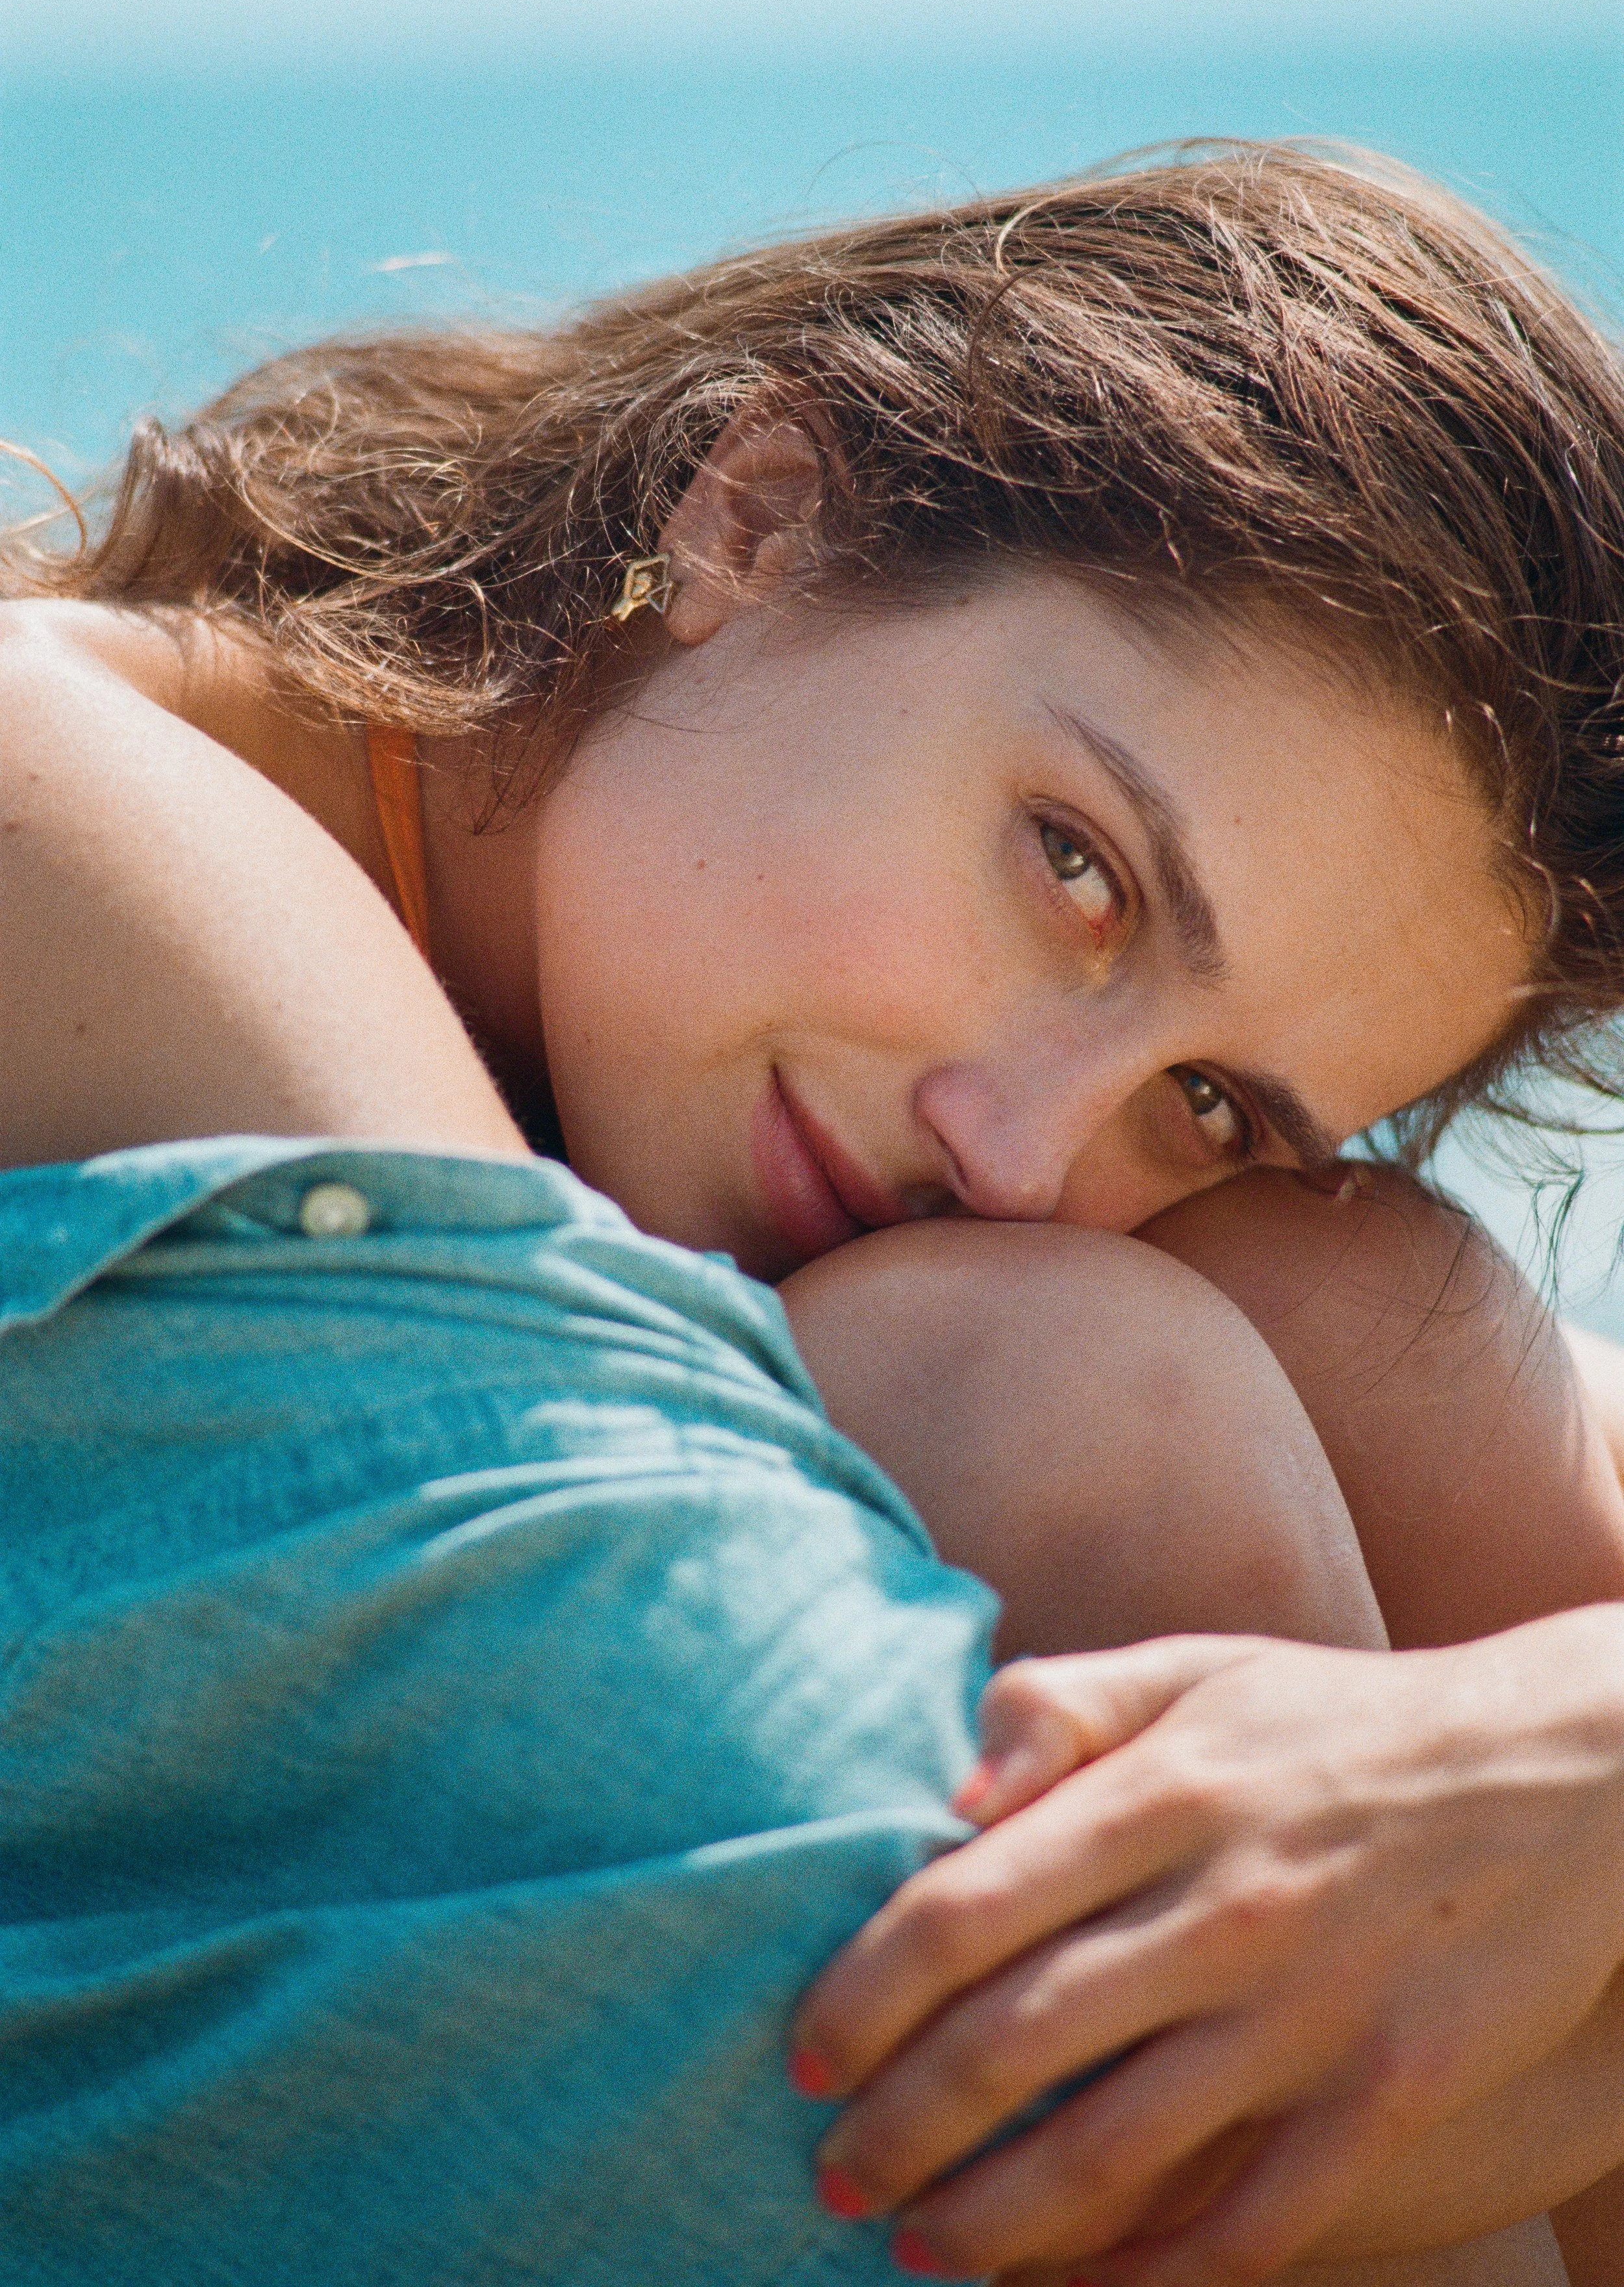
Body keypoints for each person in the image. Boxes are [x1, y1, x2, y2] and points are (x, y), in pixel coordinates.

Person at [5, 140, 1624, 2282]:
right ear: (753, 514)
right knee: (1083, 1379)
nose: (1023, 1142)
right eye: (1074, 868)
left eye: (1206, 1096)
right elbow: (772, 1883)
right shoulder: (68, 802)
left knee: (1364, 1315)